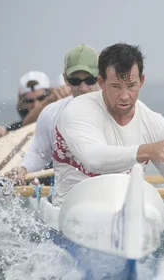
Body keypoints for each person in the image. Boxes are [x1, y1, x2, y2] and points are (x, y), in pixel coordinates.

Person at [51, 42, 164, 227]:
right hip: (72, 213)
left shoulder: (154, 123)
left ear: (141, 81)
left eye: (131, 85)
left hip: (127, 214)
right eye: (116, 86)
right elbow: (94, 159)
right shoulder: (78, 111)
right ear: (101, 82)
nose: (125, 96)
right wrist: (149, 150)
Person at [6, 44, 100, 184]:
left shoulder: (119, 109)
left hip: (107, 189)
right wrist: (23, 169)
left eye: (90, 80)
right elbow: (38, 154)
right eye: (75, 80)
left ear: (101, 77)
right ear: (66, 79)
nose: (83, 87)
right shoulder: (51, 113)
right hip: (67, 196)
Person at [0, 70, 71, 140]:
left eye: (42, 98)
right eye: (29, 101)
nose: (36, 105)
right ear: (22, 103)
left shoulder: (62, 118)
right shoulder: (16, 129)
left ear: (50, 93)